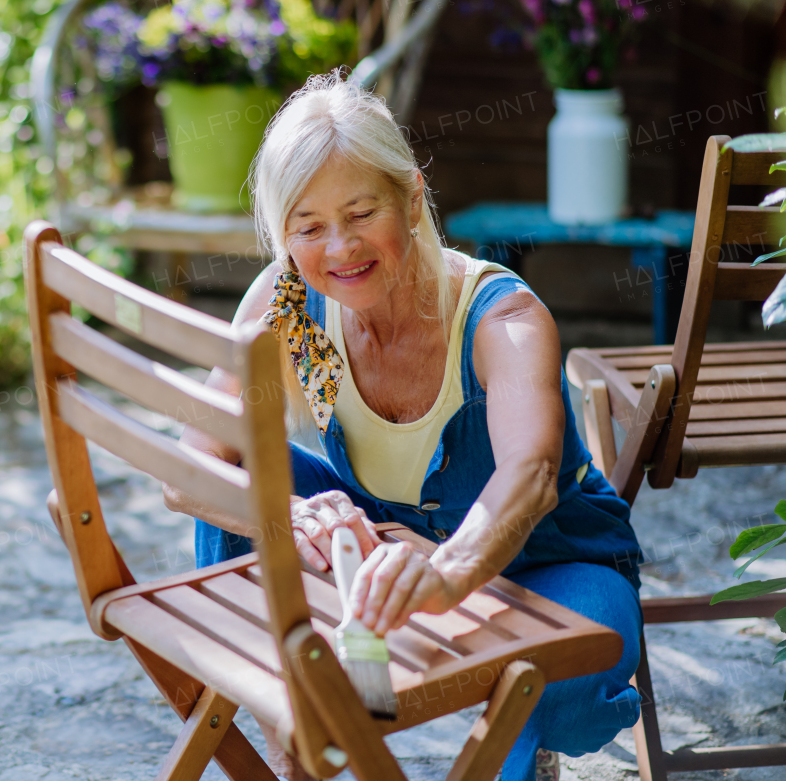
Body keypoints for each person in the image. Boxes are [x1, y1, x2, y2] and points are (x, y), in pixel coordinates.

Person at [161, 71, 642, 781]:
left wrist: (444, 574)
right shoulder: (284, 304)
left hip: (549, 562)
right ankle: (300, 744)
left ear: (412, 196)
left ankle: (524, 749)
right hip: (382, 532)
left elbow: (531, 477)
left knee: (565, 683)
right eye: (309, 226)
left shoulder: (501, 317)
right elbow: (188, 469)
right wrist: (291, 516)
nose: (340, 248)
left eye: (361, 213)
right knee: (246, 487)